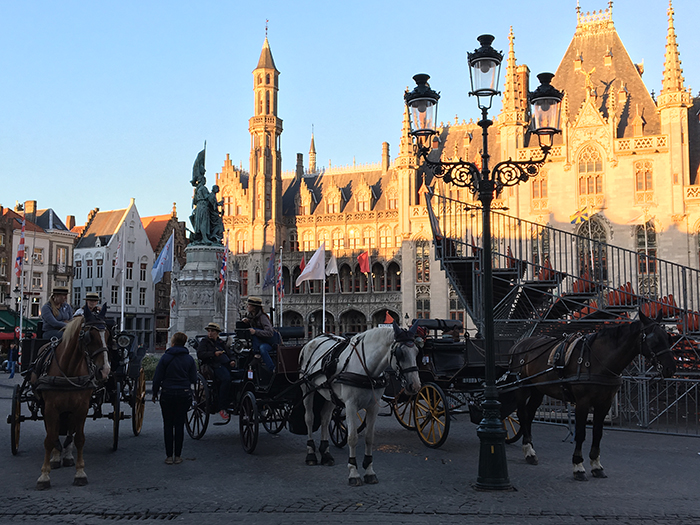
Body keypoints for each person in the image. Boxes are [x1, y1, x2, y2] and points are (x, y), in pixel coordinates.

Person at [152, 332, 197, 465]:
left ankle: (168, 456)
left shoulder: (165, 358)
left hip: (168, 393)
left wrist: (155, 393)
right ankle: (178, 455)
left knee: (168, 425)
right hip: (184, 393)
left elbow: (157, 378)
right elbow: (194, 379)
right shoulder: (189, 359)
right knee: (179, 424)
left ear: (173, 342)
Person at [196, 322, 235, 420]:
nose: (210, 333)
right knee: (226, 379)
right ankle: (222, 406)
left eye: (212, 331)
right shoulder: (204, 342)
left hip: (225, 364)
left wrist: (232, 360)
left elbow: (229, 353)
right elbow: (201, 354)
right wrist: (214, 354)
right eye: (209, 331)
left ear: (217, 333)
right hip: (212, 366)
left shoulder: (221, 342)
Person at [242, 296, 276, 374]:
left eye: (249, 305)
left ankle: (272, 369)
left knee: (263, 349)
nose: (247, 306)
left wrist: (255, 332)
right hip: (258, 342)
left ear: (254, 307)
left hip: (269, 342)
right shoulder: (251, 317)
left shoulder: (263, 317)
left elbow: (270, 333)